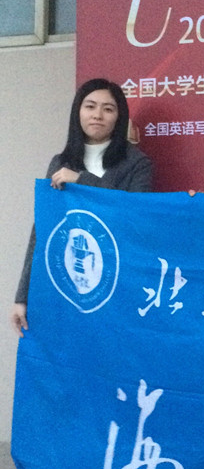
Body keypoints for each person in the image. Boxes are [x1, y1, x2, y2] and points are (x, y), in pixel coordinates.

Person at [10, 78, 153, 336]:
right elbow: (42, 231)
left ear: (119, 117)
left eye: (108, 109)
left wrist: (82, 181)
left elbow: (134, 215)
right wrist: (23, 296)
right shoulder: (60, 162)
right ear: (78, 111)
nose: (98, 115)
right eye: (90, 106)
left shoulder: (138, 164)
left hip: (119, 282)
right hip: (67, 281)